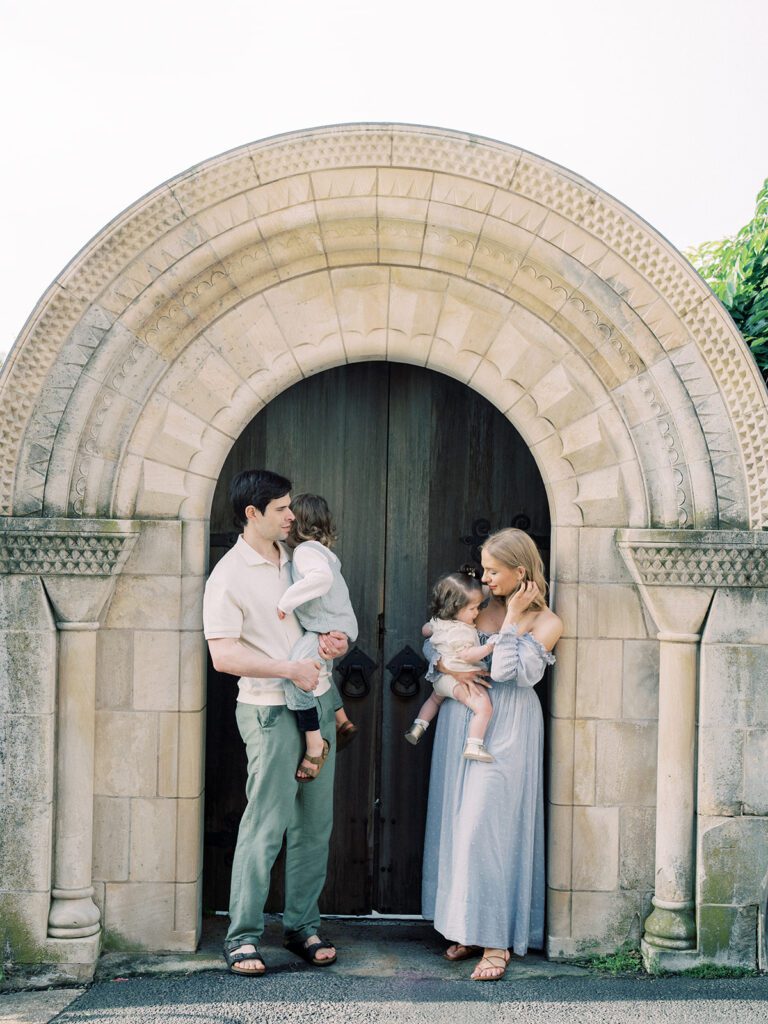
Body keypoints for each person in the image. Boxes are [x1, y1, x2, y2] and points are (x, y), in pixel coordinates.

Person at [203, 469, 348, 976]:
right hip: (268, 709)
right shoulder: (228, 575)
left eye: (291, 507)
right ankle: (242, 935)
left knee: (315, 825)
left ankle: (302, 925)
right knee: (266, 824)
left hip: (320, 703)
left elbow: (326, 616)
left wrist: (337, 642)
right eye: (283, 509)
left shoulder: (301, 559)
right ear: (253, 514)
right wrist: (288, 668)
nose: (293, 516)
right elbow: (223, 655)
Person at [421, 528, 562, 982]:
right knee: (460, 824)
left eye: (493, 570)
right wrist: (441, 665)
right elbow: (437, 645)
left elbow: (508, 673)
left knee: (489, 828)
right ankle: (467, 925)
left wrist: (512, 619)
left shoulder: (547, 623)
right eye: (483, 569)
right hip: (461, 719)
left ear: (520, 572)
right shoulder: (477, 604)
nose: (484, 577)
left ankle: (497, 938)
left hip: (509, 727)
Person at [277, 493, 359, 781]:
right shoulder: (323, 552)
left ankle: (314, 743)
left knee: (298, 676)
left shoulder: (305, 552)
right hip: (335, 625)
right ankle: (342, 720)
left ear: (297, 522)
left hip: (325, 627)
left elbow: (320, 580)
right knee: (322, 669)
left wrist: (285, 603)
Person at [404, 568, 498, 762]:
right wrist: (489, 647)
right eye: (473, 609)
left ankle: (418, 726)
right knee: (483, 708)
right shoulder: (461, 632)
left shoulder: (439, 621)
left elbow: (425, 631)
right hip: (460, 683)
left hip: (441, 681)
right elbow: (467, 654)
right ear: (456, 607)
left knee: (434, 701)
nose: (477, 612)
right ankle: (474, 744)